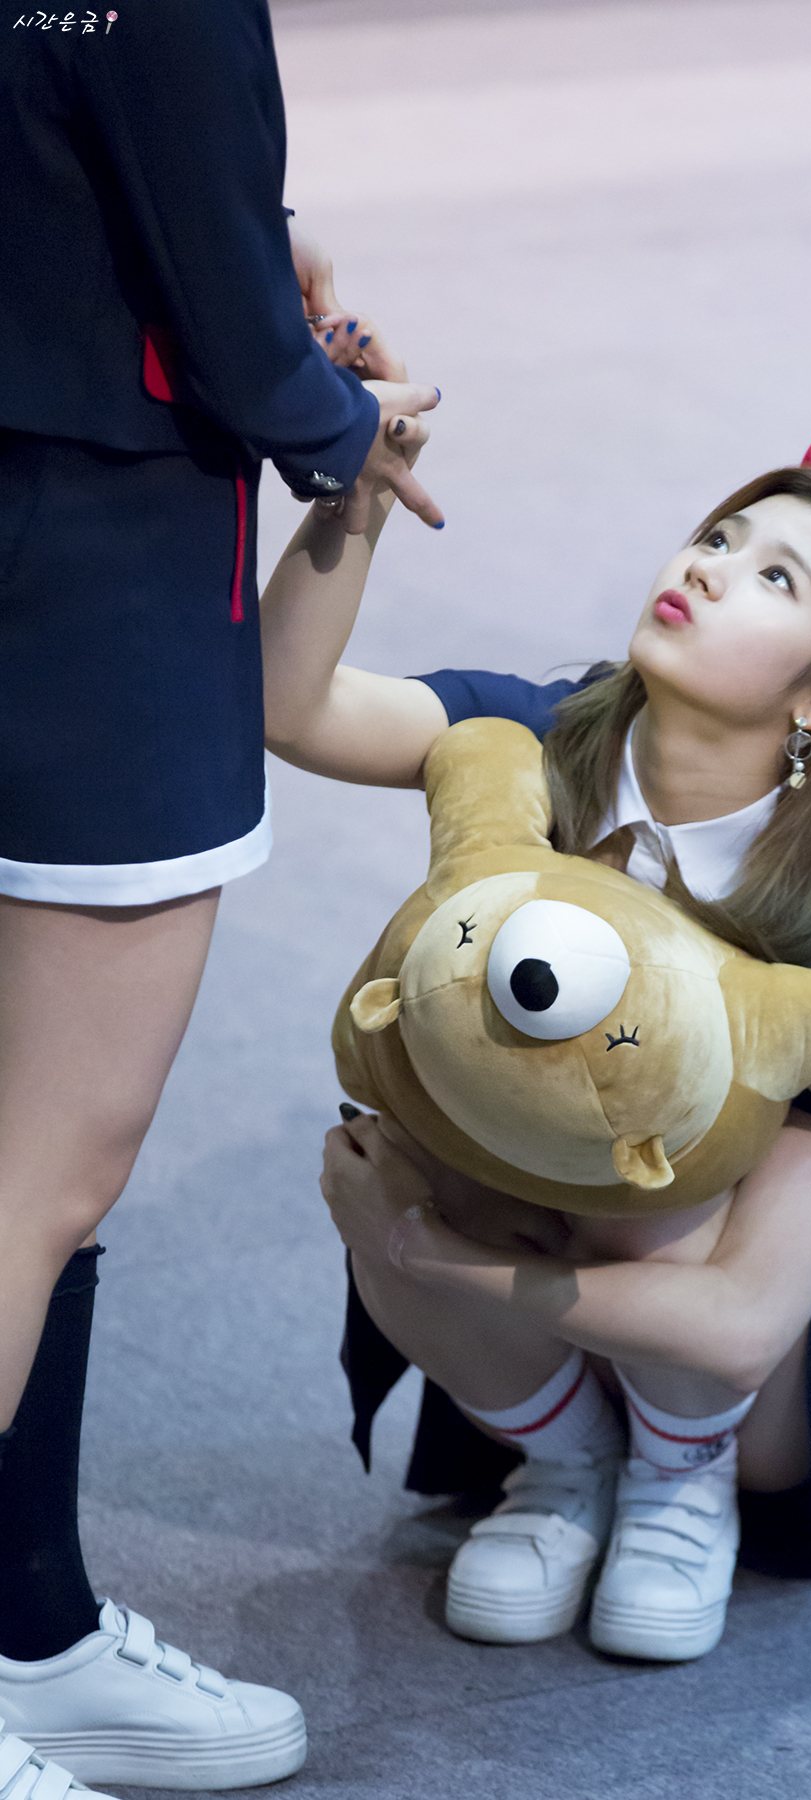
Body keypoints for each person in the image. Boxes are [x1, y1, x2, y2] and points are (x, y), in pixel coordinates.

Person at [261, 397, 811, 1663]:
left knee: (663, 1179)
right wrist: (352, 493)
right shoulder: (552, 737)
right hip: (549, 1250)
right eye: (720, 535)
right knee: (401, 1148)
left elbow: (748, 1321)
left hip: (756, 1354)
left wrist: (431, 1260)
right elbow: (289, 707)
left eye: (774, 576)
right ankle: (567, 1465)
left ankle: (681, 1481)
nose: (707, 564)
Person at [0, 3, 439, 1792]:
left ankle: (31, 1631)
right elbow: (253, 346)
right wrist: (339, 414)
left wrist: (243, 237)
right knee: (41, 1169)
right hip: (85, 553)